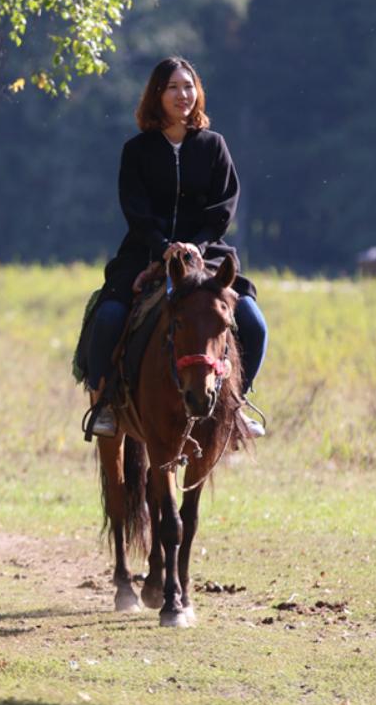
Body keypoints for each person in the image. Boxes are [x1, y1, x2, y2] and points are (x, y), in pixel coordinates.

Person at [83, 56, 268, 438]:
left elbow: (224, 205)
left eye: (189, 86)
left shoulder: (214, 146)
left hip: (208, 254)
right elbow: (134, 207)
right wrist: (164, 247)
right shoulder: (136, 151)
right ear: (157, 95)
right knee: (107, 319)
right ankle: (106, 404)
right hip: (146, 250)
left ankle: (236, 405)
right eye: (173, 88)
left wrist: (196, 245)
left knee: (253, 322)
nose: (183, 95)